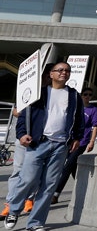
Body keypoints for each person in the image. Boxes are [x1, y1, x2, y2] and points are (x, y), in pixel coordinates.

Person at [4, 61, 84, 231]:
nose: (64, 73)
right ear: (51, 74)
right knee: (27, 179)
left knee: (49, 185)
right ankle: (13, 210)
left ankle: (36, 222)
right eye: (60, 70)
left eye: (67, 70)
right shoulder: (39, 93)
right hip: (38, 143)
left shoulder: (73, 95)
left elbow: (79, 120)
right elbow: (25, 115)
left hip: (61, 145)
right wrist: (21, 134)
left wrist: (76, 138)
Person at [1, 63, 55, 220]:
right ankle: (10, 204)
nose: (47, 78)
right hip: (24, 138)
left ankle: (29, 200)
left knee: (34, 173)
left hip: (42, 139)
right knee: (18, 170)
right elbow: (16, 111)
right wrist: (28, 111)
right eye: (45, 75)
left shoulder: (54, 94)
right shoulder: (29, 90)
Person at [51, 87, 97, 204]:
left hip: (82, 142)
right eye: (85, 94)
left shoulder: (93, 110)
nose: (87, 97)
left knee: (67, 166)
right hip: (69, 140)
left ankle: (56, 194)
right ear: (81, 95)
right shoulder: (75, 107)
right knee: (73, 168)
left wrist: (92, 141)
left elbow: (95, 126)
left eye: (90, 95)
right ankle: (85, 188)